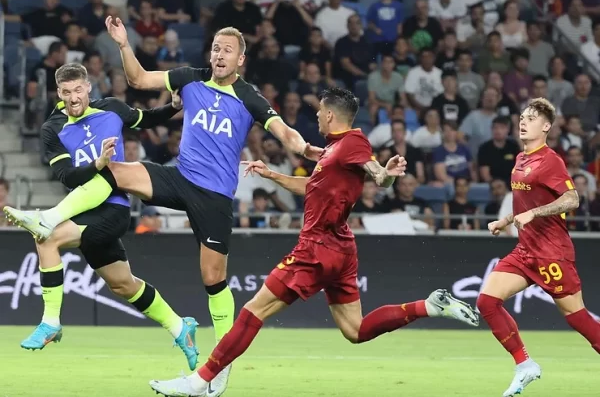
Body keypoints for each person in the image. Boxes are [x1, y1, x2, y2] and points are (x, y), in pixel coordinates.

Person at [4, 21, 321, 395]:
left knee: (213, 277)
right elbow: (138, 79)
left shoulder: (248, 96)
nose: (219, 55)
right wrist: (123, 44)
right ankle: (49, 218)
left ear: (241, 59)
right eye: (216, 48)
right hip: (179, 177)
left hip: (214, 196)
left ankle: (221, 366)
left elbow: (282, 130)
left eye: (227, 50)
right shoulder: (189, 78)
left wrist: (303, 149)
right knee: (117, 170)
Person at [148, 87, 480, 396]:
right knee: (355, 330)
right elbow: (313, 189)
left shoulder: (351, 143)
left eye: (321, 111)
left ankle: (201, 379)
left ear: (332, 116)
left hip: (316, 248)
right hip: (341, 248)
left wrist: (387, 172)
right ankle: (430, 305)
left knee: (253, 311)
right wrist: (272, 176)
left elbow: (378, 177)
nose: (318, 116)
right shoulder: (334, 151)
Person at [3, 63, 198, 369]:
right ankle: (179, 327)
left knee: (46, 239)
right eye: (66, 92)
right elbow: (67, 176)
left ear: (88, 87)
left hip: (113, 208)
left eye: (78, 90)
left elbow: (145, 120)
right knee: (123, 285)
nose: (73, 98)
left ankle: (50, 322)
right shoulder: (53, 128)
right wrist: (98, 163)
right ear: (58, 93)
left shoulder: (111, 110)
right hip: (82, 209)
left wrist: (172, 106)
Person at [480, 98, 600, 397]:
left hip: (551, 253)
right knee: (486, 301)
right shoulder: (521, 159)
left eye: (532, 118)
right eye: (522, 116)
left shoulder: (551, 160)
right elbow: (527, 202)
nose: (524, 121)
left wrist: (534, 214)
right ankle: (525, 365)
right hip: (526, 251)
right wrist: (505, 219)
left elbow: (572, 199)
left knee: (579, 319)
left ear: (546, 126)